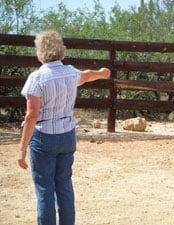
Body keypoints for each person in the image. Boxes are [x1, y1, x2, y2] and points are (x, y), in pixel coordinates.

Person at [17, 30, 111, 225]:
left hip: (44, 138)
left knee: (45, 189)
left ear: (41, 52)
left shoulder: (37, 78)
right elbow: (86, 76)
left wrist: (22, 149)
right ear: (61, 51)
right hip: (67, 136)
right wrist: (102, 73)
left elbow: (32, 115)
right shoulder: (70, 72)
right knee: (64, 185)